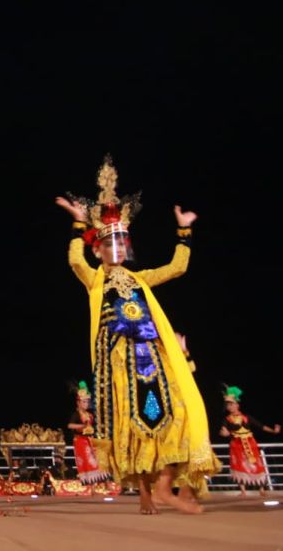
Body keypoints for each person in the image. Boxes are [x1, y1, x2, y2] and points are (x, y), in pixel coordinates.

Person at [56, 156, 219, 515]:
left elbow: (178, 267)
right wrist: (79, 223)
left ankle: (165, 486)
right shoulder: (95, 279)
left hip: (154, 357)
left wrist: (184, 231)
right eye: (108, 244)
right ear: (97, 249)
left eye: (120, 242)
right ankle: (146, 492)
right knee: (131, 423)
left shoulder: (141, 278)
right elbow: (74, 261)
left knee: (178, 414)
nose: (116, 249)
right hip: (120, 363)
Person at [219, 385, 281, 495]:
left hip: (250, 443)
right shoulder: (226, 419)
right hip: (236, 444)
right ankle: (243, 491)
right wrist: (224, 433)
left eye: (231, 404)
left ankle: (261, 489)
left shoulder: (247, 418)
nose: (229, 407)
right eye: (228, 405)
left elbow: (261, 426)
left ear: (237, 405)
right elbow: (222, 430)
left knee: (256, 464)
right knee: (238, 465)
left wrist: (273, 431)